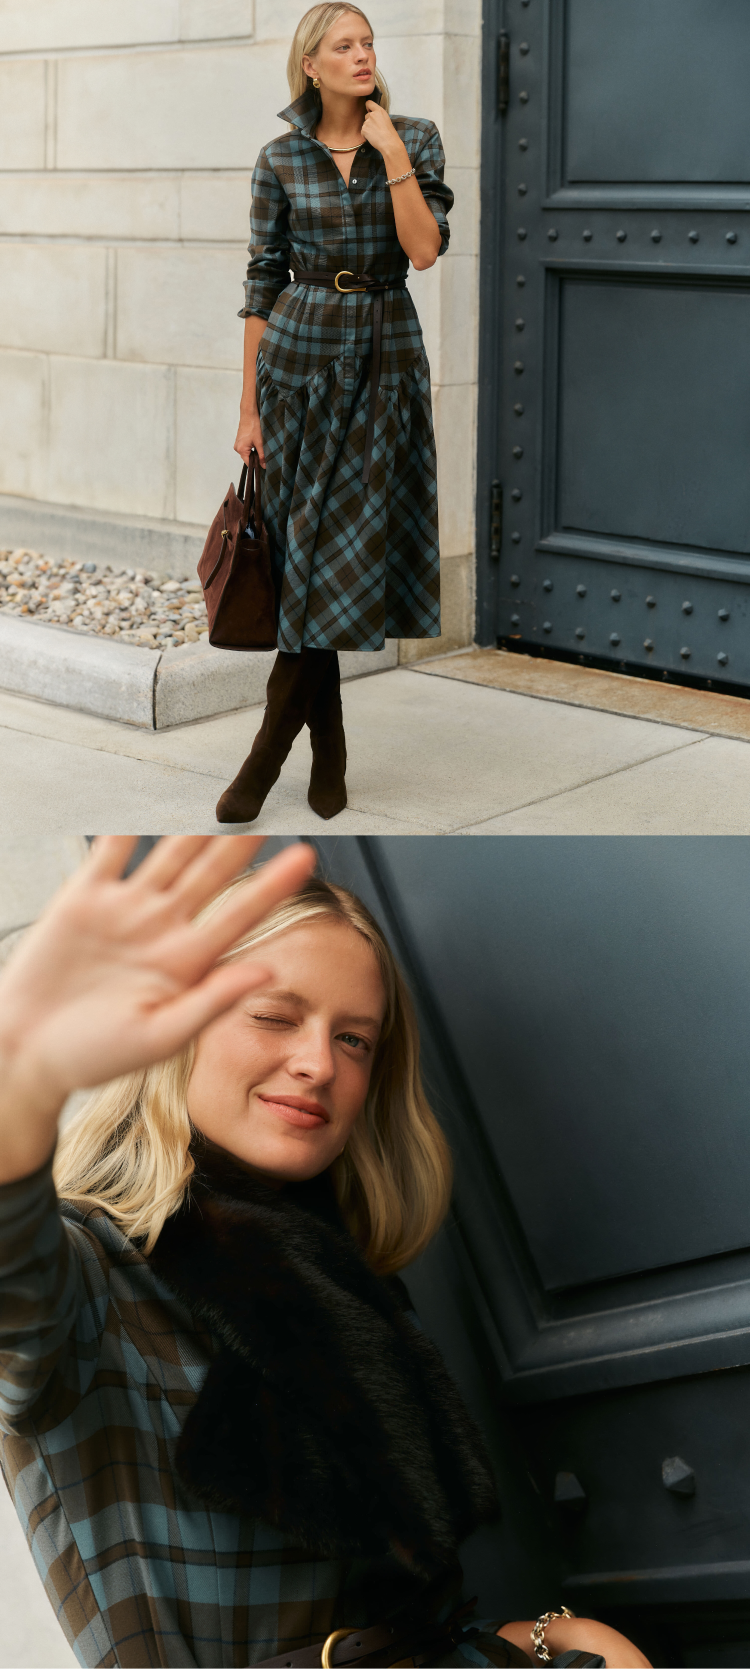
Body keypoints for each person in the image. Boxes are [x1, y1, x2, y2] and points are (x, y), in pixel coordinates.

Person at [0, 836, 652, 1669]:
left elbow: (388, 1620)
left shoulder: (345, 1282)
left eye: (355, 1040)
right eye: (274, 1015)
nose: (316, 1064)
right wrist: (21, 1077)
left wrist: (543, 1638)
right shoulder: (90, 1274)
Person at [216, 3, 451, 825]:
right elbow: (261, 282)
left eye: (368, 42)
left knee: (334, 560)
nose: (363, 54)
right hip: (300, 362)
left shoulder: (413, 138)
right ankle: (328, 751)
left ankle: (265, 758)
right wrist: (248, 405)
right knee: (303, 562)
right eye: (343, 45)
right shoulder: (279, 157)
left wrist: (389, 153)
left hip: (385, 358)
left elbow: (423, 250)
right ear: (310, 65)